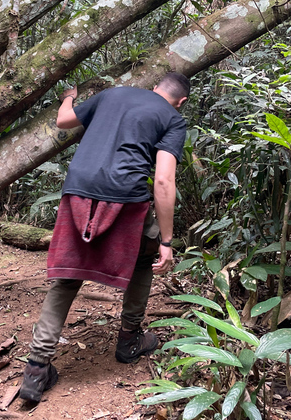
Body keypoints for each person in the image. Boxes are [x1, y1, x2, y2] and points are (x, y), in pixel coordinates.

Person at [19, 72, 190, 403]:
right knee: (145, 256)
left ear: (154, 87)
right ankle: (129, 339)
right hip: (125, 195)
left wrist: (68, 95)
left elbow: (64, 120)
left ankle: (36, 369)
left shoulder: (112, 94)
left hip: (78, 188)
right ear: (180, 102)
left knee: (68, 274)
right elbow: (164, 182)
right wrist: (167, 242)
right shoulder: (172, 118)